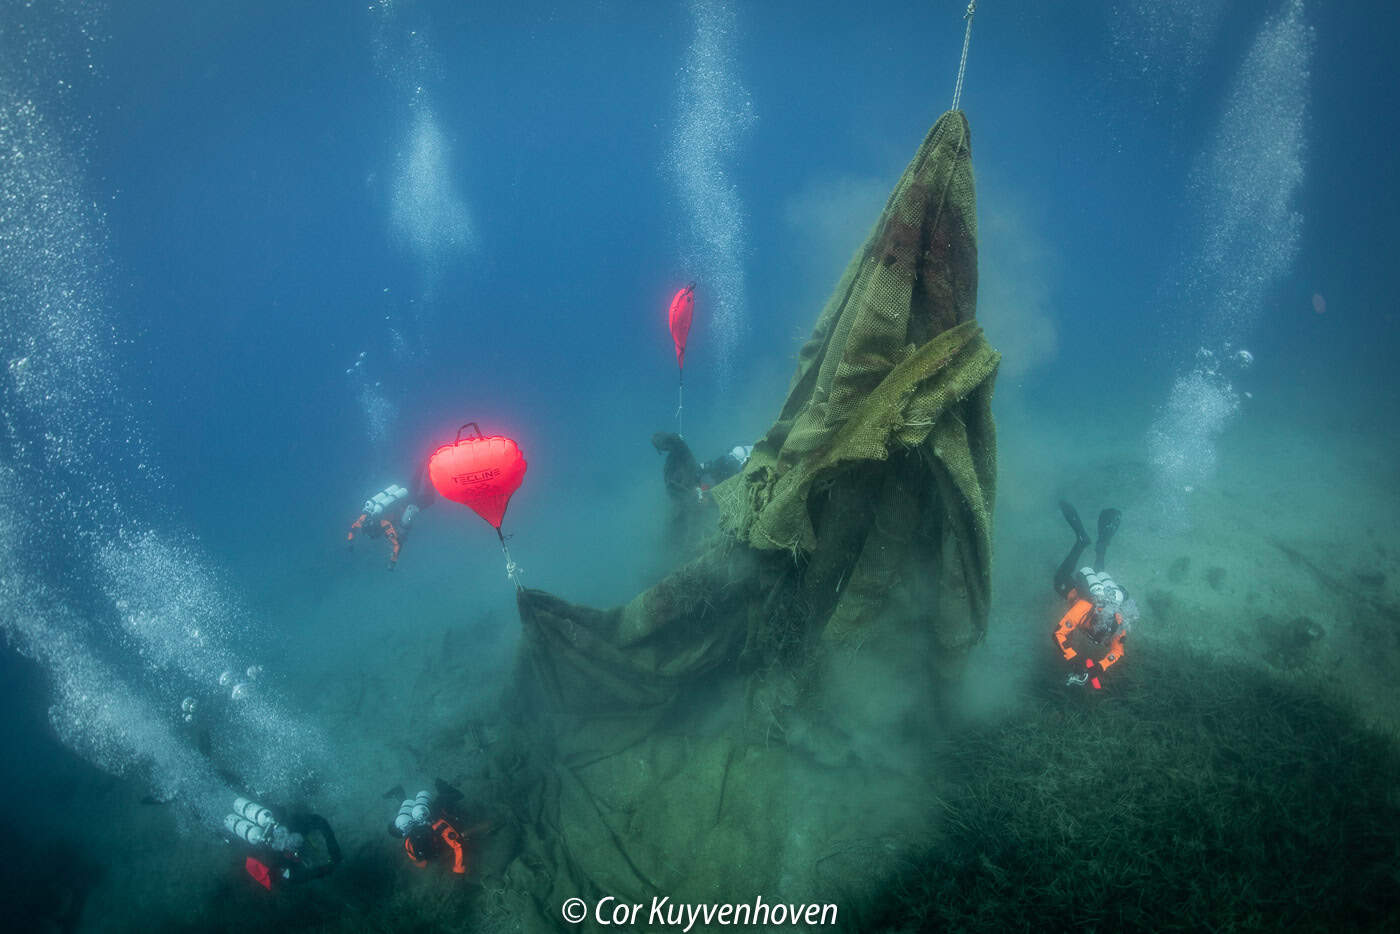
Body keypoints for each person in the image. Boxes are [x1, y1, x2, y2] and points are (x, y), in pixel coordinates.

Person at [1051, 501, 1137, 691]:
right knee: (1060, 581)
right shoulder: (1084, 609)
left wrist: (1099, 667)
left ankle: (1102, 544)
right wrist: (1073, 659)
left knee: (1099, 573)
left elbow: (1118, 651)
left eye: (1103, 636)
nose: (1101, 637)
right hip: (1077, 594)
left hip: (1098, 594)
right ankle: (1082, 541)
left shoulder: (1117, 626)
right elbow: (1059, 633)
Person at [222, 796, 342, 891]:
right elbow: (297, 878)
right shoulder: (277, 858)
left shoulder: (290, 828)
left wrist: (332, 850)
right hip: (254, 831)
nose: (294, 853)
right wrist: (328, 864)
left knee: (270, 808)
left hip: (255, 823)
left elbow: (319, 821)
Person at [347, 460, 436, 569]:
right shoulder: (365, 517)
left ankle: (431, 474)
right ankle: (424, 462)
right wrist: (350, 543)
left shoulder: (384, 525)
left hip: (407, 506)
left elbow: (396, 544)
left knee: (430, 499)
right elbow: (352, 529)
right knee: (415, 482)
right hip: (402, 499)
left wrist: (392, 563)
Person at [387, 780, 471, 875]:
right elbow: (422, 863)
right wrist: (458, 868)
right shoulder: (410, 841)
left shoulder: (411, 841)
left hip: (430, 814)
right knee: (443, 802)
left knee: (450, 799)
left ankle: (440, 786)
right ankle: (400, 794)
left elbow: (422, 864)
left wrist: (458, 868)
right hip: (423, 815)